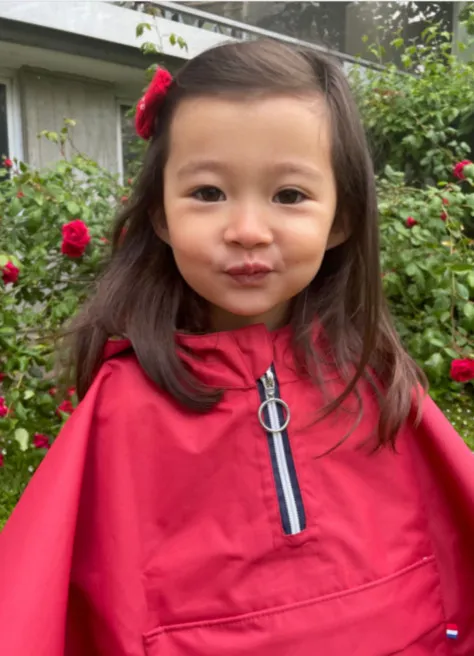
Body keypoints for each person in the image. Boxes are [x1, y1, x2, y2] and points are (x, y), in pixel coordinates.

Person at [0, 39, 473, 656]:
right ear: (162, 217)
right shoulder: (124, 409)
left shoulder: (375, 380)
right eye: (208, 193)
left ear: (342, 219)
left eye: (289, 195)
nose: (247, 231)